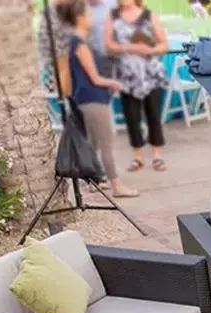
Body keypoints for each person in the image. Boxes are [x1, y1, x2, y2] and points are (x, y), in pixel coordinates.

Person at [58, 0, 138, 198]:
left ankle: (93, 180)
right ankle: (117, 186)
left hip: (87, 100)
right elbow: (94, 78)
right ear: (80, 18)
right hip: (93, 100)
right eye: (89, 14)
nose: (92, 17)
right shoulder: (80, 44)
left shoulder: (76, 42)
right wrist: (114, 83)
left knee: (94, 142)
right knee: (106, 144)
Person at [106, 0, 171, 173]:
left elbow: (164, 44)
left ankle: (157, 156)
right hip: (127, 76)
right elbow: (109, 44)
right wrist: (130, 47)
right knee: (131, 117)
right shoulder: (112, 17)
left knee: (153, 115)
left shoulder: (149, 16)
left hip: (151, 74)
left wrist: (149, 50)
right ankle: (138, 157)